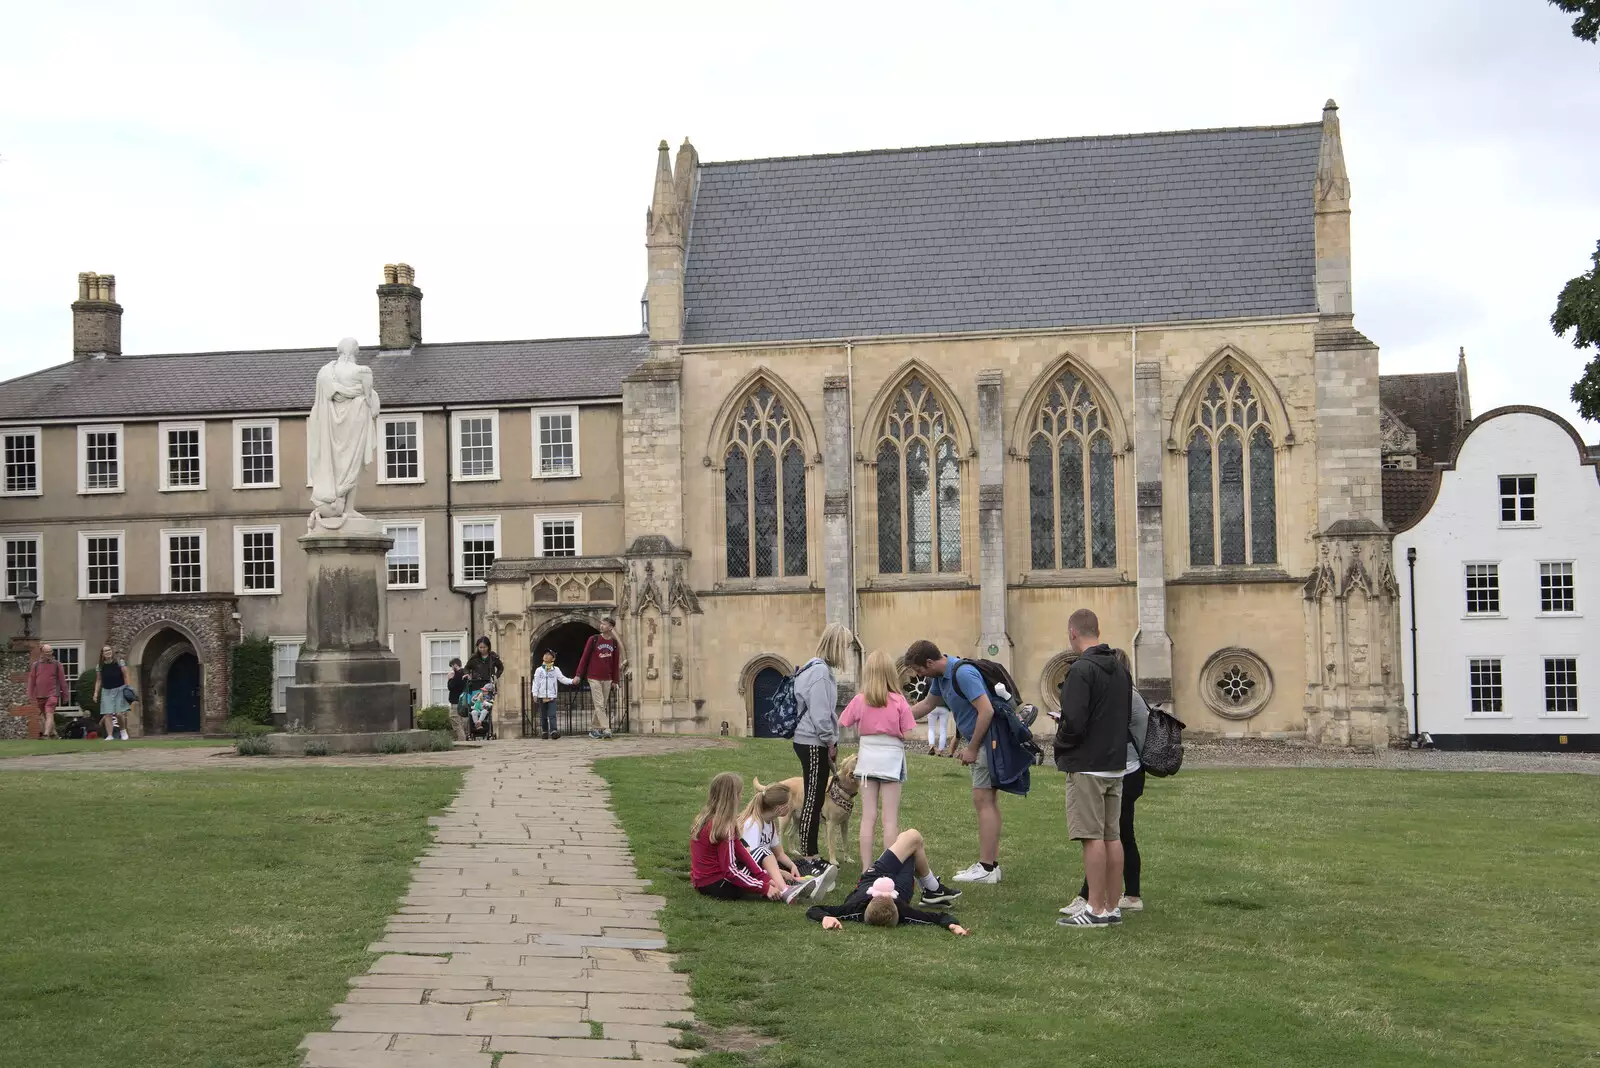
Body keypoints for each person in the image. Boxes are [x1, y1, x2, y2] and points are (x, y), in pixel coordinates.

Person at [1053, 609, 1133, 929]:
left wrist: (1061, 743)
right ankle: (1112, 906)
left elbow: (1073, 720)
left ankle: (1096, 909)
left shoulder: (1082, 670)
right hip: (1115, 763)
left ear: (1073, 632)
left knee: (1092, 837)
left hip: (1087, 764)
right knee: (1112, 836)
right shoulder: (1120, 669)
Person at [904, 640, 1007, 884]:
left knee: (984, 801)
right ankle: (990, 865)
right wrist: (894, 718)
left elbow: (987, 710)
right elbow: (928, 704)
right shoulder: (941, 678)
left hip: (985, 744)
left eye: (920, 671)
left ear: (929, 663)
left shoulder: (963, 673)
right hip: (980, 744)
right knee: (986, 801)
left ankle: (986, 868)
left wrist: (971, 748)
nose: (920, 676)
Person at [1063, 647, 1150, 918]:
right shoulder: (1126, 691)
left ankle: (1095, 902)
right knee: (1116, 834)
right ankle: (1115, 901)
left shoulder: (1123, 694)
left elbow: (1134, 728)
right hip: (1120, 767)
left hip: (1118, 767)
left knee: (1101, 834)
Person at [690, 772, 821, 905]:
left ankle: (787, 887)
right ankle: (786, 891)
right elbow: (730, 871)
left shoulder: (706, 819)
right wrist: (764, 887)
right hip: (721, 886)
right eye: (740, 793)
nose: (741, 797)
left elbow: (741, 852)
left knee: (763, 854)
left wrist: (764, 878)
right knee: (763, 852)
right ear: (732, 798)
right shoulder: (726, 827)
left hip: (703, 884)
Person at [806, 829, 965, 934]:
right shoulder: (905, 913)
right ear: (897, 907)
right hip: (901, 888)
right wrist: (953, 925)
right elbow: (938, 918)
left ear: (869, 903)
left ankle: (932, 888)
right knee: (912, 846)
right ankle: (932, 888)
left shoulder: (851, 909)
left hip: (874, 877)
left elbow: (815, 909)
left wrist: (825, 918)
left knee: (911, 838)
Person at [841, 649, 915, 871]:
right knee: (889, 819)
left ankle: (866, 869)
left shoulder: (859, 700)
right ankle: (888, 869)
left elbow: (844, 722)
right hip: (891, 759)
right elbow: (909, 732)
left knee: (868, 817)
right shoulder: (899, 701)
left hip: (867, 759)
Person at [791, 623, 854, 877]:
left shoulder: (816, 668)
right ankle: (809, 855)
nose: (847, 652)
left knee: (815, 797)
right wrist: (830, 741)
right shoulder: (819, 673)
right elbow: (820, 714)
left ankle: (810, 852)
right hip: (812, 741)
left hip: (809, 739)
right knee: (814, 799)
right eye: (846, 647)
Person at [739, 781, 837, 897]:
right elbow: (751, 861)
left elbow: (779, 853)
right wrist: (780, 872)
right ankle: (805, 883)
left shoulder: (770, 824)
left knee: (799, 863)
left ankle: (809, 881)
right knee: (785, 871)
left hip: (768, 866)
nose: (791, 805)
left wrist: (792, 866)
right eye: (789, 803)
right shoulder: (753, 824)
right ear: (779, 808)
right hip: (753, 870)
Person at [575, 617, 623, 739]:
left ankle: (593, 729)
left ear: (611, 627)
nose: (602, 626)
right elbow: (584, 658)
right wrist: (578, 675)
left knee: (602, 705)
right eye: (601, 624)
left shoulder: (614, 643)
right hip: (594, 677)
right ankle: (606, 729)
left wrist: (615, 680)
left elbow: (615, 663)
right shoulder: (594, 639)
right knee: (599, 704)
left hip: (607, 678)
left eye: (605, 624)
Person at [27, 643, 68, 740]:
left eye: (50, 651)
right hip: (40, 694)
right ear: (42, 652)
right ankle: (54, 734)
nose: (49, 654)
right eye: (47, 652)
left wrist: (65, 695)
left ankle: (46, 735)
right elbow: (31, 680)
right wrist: (30, 694)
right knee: (45, 714)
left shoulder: (57, 665)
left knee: (49, 713)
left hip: (53, 693)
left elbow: (62, 681)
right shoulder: (36, 665)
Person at [531, 649, 574, 740]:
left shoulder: (555, 670)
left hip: (551, 696)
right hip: (541, 695)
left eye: (549, 655)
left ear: (553, 659)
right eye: (545, 654)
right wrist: (535, 694)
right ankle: (545, 731)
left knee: (552, 714)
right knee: (543, 715)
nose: (546, 656)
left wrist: (572, 681)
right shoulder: (539, 670)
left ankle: (553, 731)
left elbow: (562, 679)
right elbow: (536, 682)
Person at [93, 645, 133, 739]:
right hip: (106, 691)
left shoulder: (120, 662)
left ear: (112, 651)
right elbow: (98, 680)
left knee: (119, 713)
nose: (108, 652)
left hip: (119, 689)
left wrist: (127, 687)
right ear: (102, 654)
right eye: (105, 651)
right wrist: (96, 693)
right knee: (107, 714)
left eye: (109, 650)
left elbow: (126, 675)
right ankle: (110, 735)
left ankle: (123, 731)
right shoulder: (100, 666)